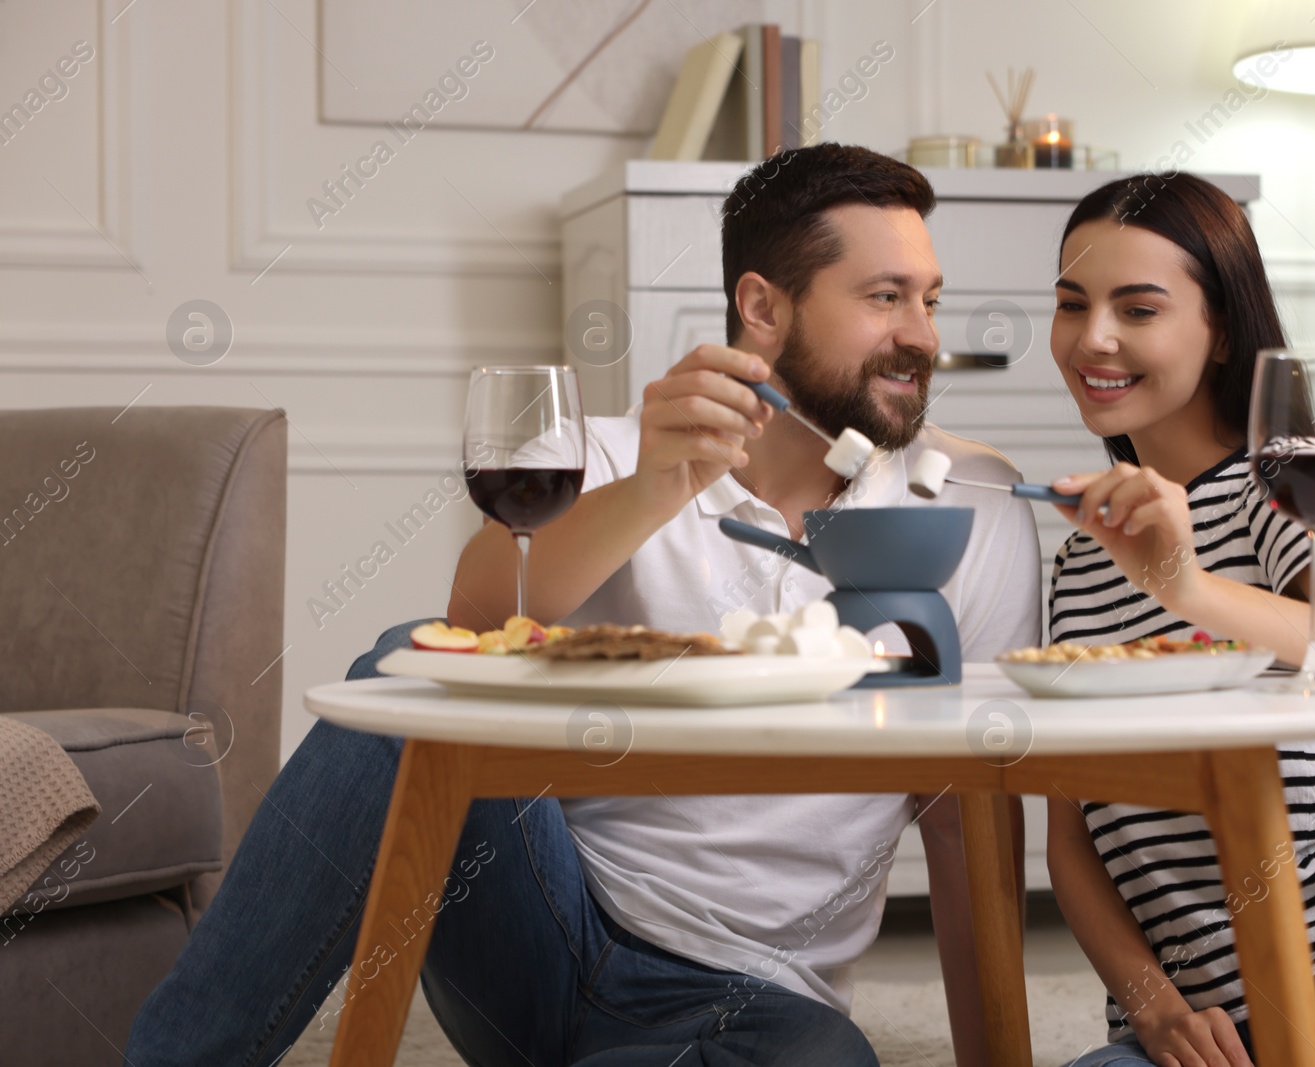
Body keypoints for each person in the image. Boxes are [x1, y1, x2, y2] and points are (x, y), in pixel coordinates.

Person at [124, 143, 1041, 1067]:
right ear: (764, 307)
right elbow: (469, 629)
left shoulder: (974, 500)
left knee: (822, 1061)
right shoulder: (610, 455)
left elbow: (967, 825)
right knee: (416, 671)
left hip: (753, 994)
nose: (922, 334)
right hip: (535, 924)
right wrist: (659, 485)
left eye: (929, 298)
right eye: (885, 298)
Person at [1038, 174, 1315, 1067]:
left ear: (1223, 331)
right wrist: (1153, 1007)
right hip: (1189, 1015)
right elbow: (1070, 841)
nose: (1094, 338)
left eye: (1139, 307)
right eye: (1072, 303)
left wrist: (1187, 587)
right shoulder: (1079, 559)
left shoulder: (1281, 486)